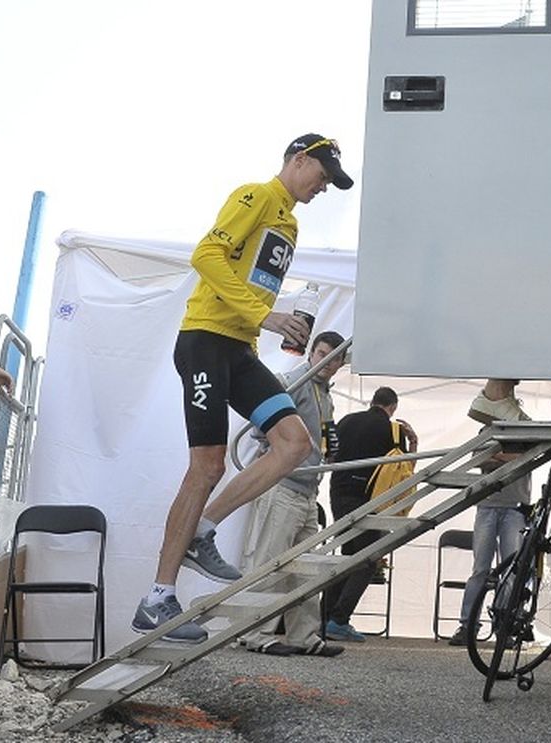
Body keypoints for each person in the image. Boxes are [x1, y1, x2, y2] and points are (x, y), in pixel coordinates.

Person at [132, 134, 354, 644]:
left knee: (295, 444)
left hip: (240, 347)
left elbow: (250, 276)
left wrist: (274, 316)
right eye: (321, 175)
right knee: (206, 465)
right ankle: (157, 599)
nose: (323, 187)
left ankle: (203, 531)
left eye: (330, 182)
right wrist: (266, 315)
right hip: (206, 340)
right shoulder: (254, 195)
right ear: (298, 160)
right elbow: (206, 255)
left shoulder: (290, 222)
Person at [239, 330, 347, 658]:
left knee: (306, 565)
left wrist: (326, 450)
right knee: (269, 561)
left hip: (307, 489)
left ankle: (305, 635)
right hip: (283, 486)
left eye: (334, 357)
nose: (327, 362)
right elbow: (260, 426)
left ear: (341, 362)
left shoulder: (324, 393)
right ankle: (254, 633)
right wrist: (276, 451)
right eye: (322, 354)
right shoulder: (295, 382)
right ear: (312, 353)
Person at [323, 386, 417, 642]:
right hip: (366, 497)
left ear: (373, 401)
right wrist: (414, 444)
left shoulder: (346, 421)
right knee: (368, 559)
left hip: (337, 492)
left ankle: (325, 618)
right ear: (392, 407)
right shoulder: (393, 429)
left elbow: (330, 454)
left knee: (347, 555)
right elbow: (402, 470)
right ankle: (339, 620)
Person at [449, 379, 532, 646]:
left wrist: (497, 456)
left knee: (509, 569)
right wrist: (505, 456)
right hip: (489, 505)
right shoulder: (488, 427)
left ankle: (504, 626)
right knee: (481, 569)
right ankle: (468, 625)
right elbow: (481, 458)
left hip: (512, 505)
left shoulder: (524, 424)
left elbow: (523, 458)